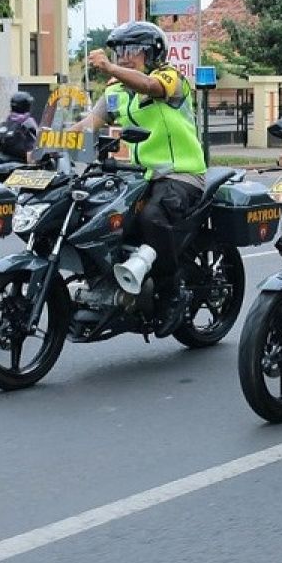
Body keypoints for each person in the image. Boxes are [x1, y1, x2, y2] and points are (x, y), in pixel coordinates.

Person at [77, 21, 205, 338]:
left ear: (152, 53)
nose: (125, 57)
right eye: (120, 52)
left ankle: (172, 291)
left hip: (181, 174)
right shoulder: (115, 92)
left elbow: (151, 87)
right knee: (98, 216)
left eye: (133, 51)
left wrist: (107, 66)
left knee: (152, 216)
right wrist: (44, 145)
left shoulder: (171, 78)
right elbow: (88, 125)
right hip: (138, 177)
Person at [0, 91, 38, 163]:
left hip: (6, 158)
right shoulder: (28, 122)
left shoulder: (9, 120)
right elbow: (31, 148)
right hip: (21, 162)